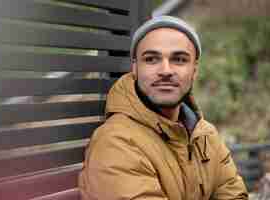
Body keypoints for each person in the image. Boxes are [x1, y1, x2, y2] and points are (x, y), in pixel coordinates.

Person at [79, 16, 248, 200]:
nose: (166, 70)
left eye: (179, 59)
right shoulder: (115, 143)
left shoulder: (205, 135)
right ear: (134, 68)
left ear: (195, 70)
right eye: (151, 59)